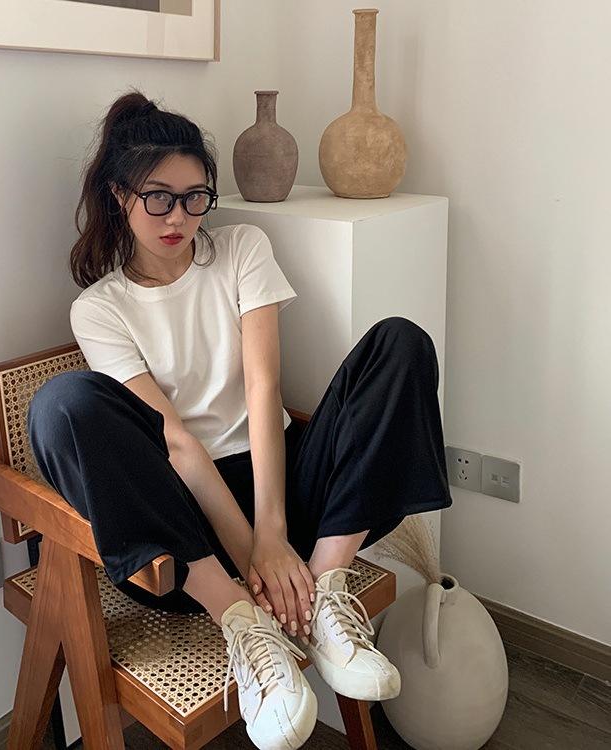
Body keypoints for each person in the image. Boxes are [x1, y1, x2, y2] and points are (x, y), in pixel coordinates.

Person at [27, 88, 453, 750]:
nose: (179, 216)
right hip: (187, 542)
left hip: (286, 493)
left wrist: (276, 533)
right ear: (118, 196)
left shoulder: (241, 248)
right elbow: (175, 440)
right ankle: (242, 621)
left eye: (195, 196)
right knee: (62, 403)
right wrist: (254, 551)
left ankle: (327, 592)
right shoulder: (101, 308)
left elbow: (263, 387)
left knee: (401, 343)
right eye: (158, 198)